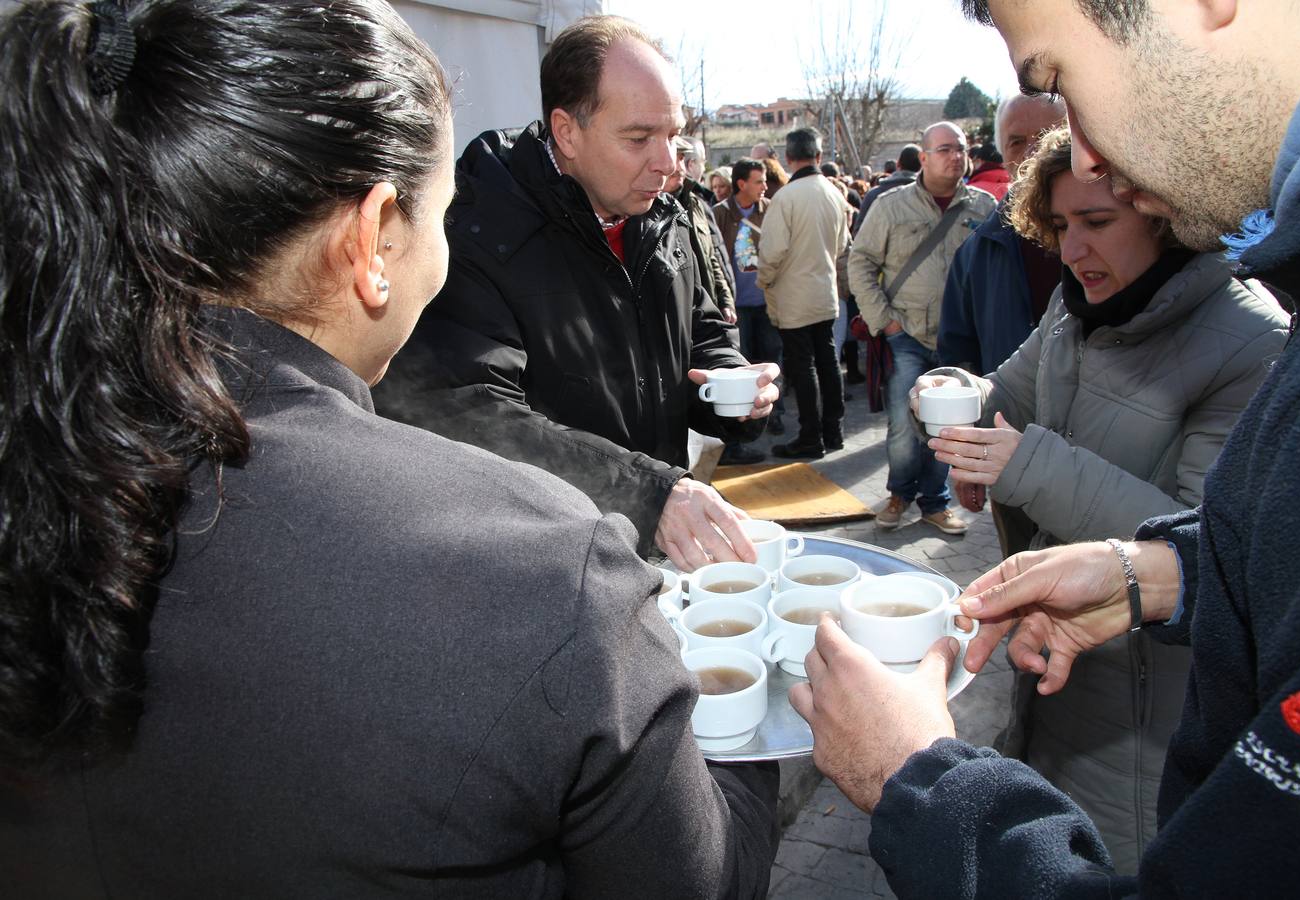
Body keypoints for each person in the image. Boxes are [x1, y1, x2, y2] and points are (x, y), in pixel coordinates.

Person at [0, 1, 781, 896]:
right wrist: (745, 730)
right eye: (441, 213)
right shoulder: (544, 579)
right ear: (373, 240)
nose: (662, 160)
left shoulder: (50, 449)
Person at [789, 0, 1300, 894]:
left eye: (1055, 81)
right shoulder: (1081, 312)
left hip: (1142, 736)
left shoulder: (1281, 342)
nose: (1085, 154)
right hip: (1058, 689)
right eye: (1064, 223)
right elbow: (1272, 546)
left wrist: (919, 778)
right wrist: (1158, 574)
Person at [913, 125, 1289, 872]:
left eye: (1096, 222)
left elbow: (1206, 550)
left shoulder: (1253, 341)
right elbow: (1009, 391)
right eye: (1058, 226)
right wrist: (959, 393)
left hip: (1151, 713)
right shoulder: (1075, 304)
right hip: (1054, 665)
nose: (1072, 250)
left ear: (1161, 209)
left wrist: (1024, 464)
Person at [372, 16, 779, 573]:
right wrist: (646, 493)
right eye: (639, 138)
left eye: (674, 134)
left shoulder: (663, 216)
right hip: (544, 562)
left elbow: (701, 332)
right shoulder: (477, 229)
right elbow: (466, 414)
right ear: (566, 132)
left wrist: (732, 384)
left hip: (649, 543)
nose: (668, 163)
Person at [849, 122, 997, 533]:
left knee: (948, 429)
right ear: (925, 156)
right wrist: (886, 323)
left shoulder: (983, 207)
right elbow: (859, 262)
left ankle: (935, 501)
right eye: (946, 149)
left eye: (962, 149)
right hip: (907, 335)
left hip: (959, 341)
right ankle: (899, 495)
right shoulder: (892, 206)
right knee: (903, 425)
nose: (956, 157)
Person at [938, 94, 1066, 378]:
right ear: (1003, 153)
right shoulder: (977, 252)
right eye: (1017, 142)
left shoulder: (1117, 235)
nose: (1034, 153)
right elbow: (958, 357)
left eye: (1048, 136)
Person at [756, 127, 852, 459]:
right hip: (825, 292)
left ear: (788, 158)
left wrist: (764, 280)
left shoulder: (786, 197)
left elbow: (772, 252)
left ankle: (811, 435)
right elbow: (842, 246)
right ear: (819, 156)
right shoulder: (834, 193)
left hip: (794, 296)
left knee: (805, 366)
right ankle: (833, 431)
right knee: (828, 363)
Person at [714, 157, 786, 446]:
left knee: (771, 360)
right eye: (759, 181)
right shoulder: (719, 213)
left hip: (767, 301)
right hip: (736, 305)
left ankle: (775, 414)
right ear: (741, 184)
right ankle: (742, 419)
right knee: (741, 364)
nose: (764, 187)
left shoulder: (771, 210)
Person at [668, 135, 737, 325]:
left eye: (682, 158)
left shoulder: (696, 204)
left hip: (707, 315)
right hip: (676, 321)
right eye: (677, 158)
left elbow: (713, 256)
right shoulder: (641, 210)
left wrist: (725, 300)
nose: (680, 168)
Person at [855, 143, 921, 232]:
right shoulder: (928, 195)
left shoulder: (874, 195)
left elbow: (859, 231)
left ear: (898, 164)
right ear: (922, 166)